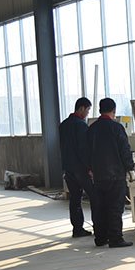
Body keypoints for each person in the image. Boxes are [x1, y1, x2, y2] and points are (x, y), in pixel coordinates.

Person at [87, 98, 135, 248]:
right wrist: (130, 168)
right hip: (115, 175)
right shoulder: (117, 128)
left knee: (99, 207)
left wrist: (90, 169)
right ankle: (115, 238)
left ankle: (100, 238)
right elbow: (124, 150)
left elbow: (86, 151)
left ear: (100, 110)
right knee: (115, 207)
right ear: (113, 111)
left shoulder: (92, 129)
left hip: (98, 176)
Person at [59, 97, 95, 238]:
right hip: (81, 168)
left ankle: (77, 229)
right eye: (87, 110)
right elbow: (84, 149)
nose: (87, 113)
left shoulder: (63, 125)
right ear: (81, 108)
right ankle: (99, 227)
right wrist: (90, 167)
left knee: (75, 199)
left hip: (68, 168)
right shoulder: (81, 126)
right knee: (94, 196)